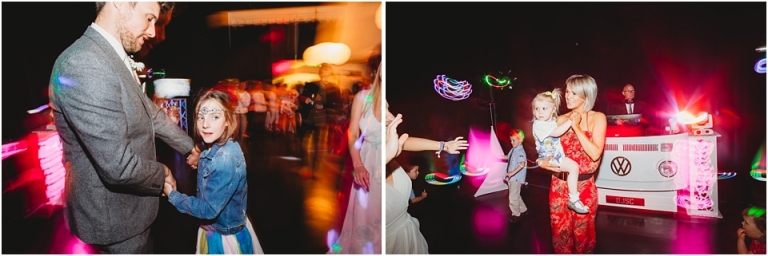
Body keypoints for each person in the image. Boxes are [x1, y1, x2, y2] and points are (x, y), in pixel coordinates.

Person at [48, 2, 201, 253]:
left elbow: (149, 114)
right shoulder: (85, 63)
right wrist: (162, 173)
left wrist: (188, 147)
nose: (153, 31)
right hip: (115, 220)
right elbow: (119, 166)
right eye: (149, 18)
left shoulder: (110, 55)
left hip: (130, 214)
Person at [162, 89, 264, 254]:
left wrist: (172, 195)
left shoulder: (223, 160)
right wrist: (202, 157)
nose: (205, 124)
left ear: (227, 121)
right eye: (201, 117)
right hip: (220, 228)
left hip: (223, 239)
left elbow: (208, 210)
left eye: (215, 117)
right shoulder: (220, 147)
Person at [537, 74, 606, 254]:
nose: (568, 96)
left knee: (583, 234)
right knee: (560, 234)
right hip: (558, 185)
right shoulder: (559, 120)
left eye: (573, 93)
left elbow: (595, 153)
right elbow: (543, 145)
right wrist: (541, 162)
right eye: (567, 92)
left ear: (586, 95)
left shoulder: (597, 118)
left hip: (583, 189)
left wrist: (576, 126)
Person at [331, 61, 383, 254]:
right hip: (367, 161)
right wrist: (358, 165)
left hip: (387, 164)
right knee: (365, 217)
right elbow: (352, 133)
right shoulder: (364, 97)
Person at [532, 88, 589, 214]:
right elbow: (556, 133)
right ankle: (574, 198)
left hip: (556, 155)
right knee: (574, 168)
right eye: (537, 109)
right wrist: (571, 121)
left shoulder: (551, 122)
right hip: (550, 157)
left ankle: (573, 198)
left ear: (553, 110)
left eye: (544, 108)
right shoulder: (538, 124)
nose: (540, 112)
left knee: (573, 168)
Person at [505, 129, 529, 223]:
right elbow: (508, 157)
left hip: (515, 178)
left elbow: (522, 164)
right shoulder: (513, 149)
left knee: (512, 198)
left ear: (520, 140)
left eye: (513, 140)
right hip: (512, 179)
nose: (511, 142)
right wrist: (497, 156)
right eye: (511, 140)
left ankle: (516, 215)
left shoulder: (520, 152)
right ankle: (524, 210)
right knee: (516, 195)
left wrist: (512, 173)